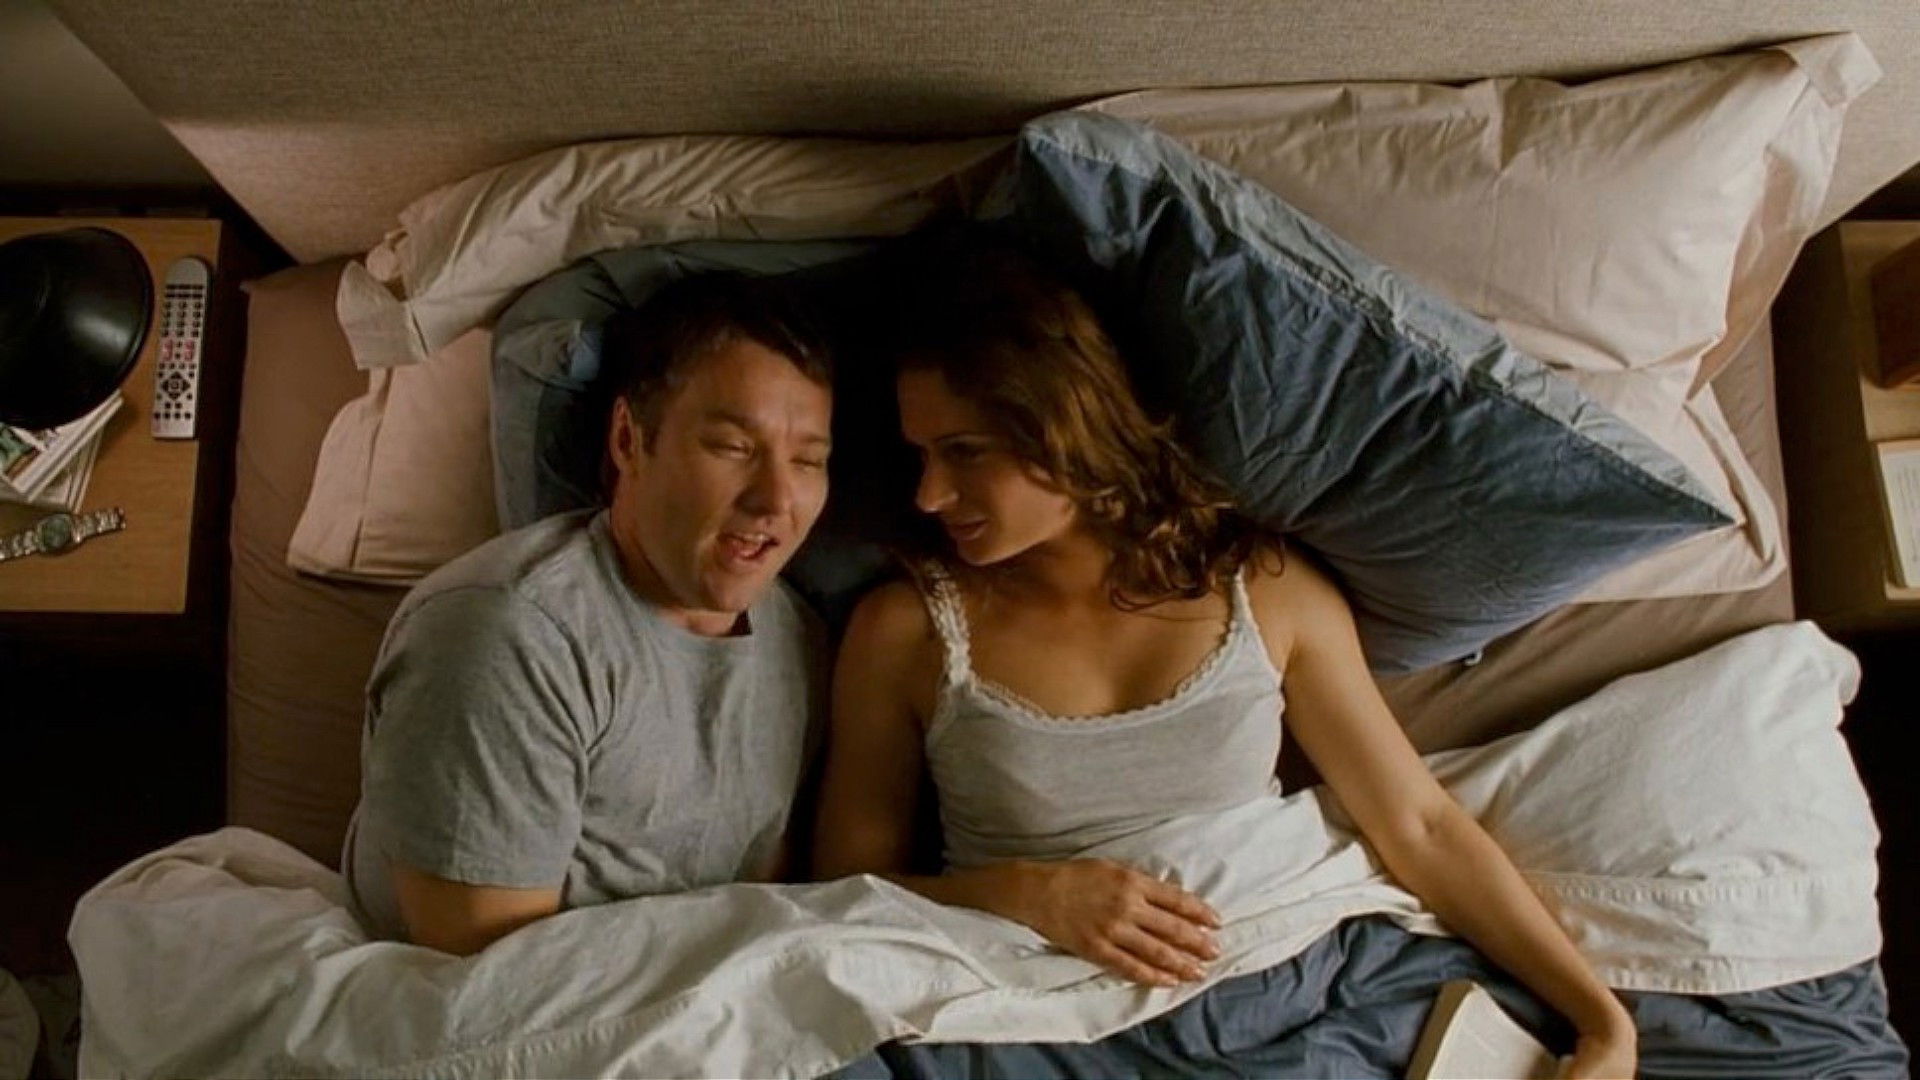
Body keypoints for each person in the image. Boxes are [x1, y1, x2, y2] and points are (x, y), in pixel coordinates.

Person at [812, 236, 1638, 1077]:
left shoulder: (1265, 591)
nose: (930, 495)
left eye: (965, 452)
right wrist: (1025, 892)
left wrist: (1603, 1022)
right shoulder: (906, 632)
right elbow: (841, 890)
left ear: (1065, 427)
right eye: (921, 455)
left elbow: (1418, 825)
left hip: (1282, 971)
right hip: (1038, 1009)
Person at [343, 271, 835, 956]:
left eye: (809, 461)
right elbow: (486, 973)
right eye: (732, 447)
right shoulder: (506, 635)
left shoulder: (799, 638)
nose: (776, 499)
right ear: (629, 440)